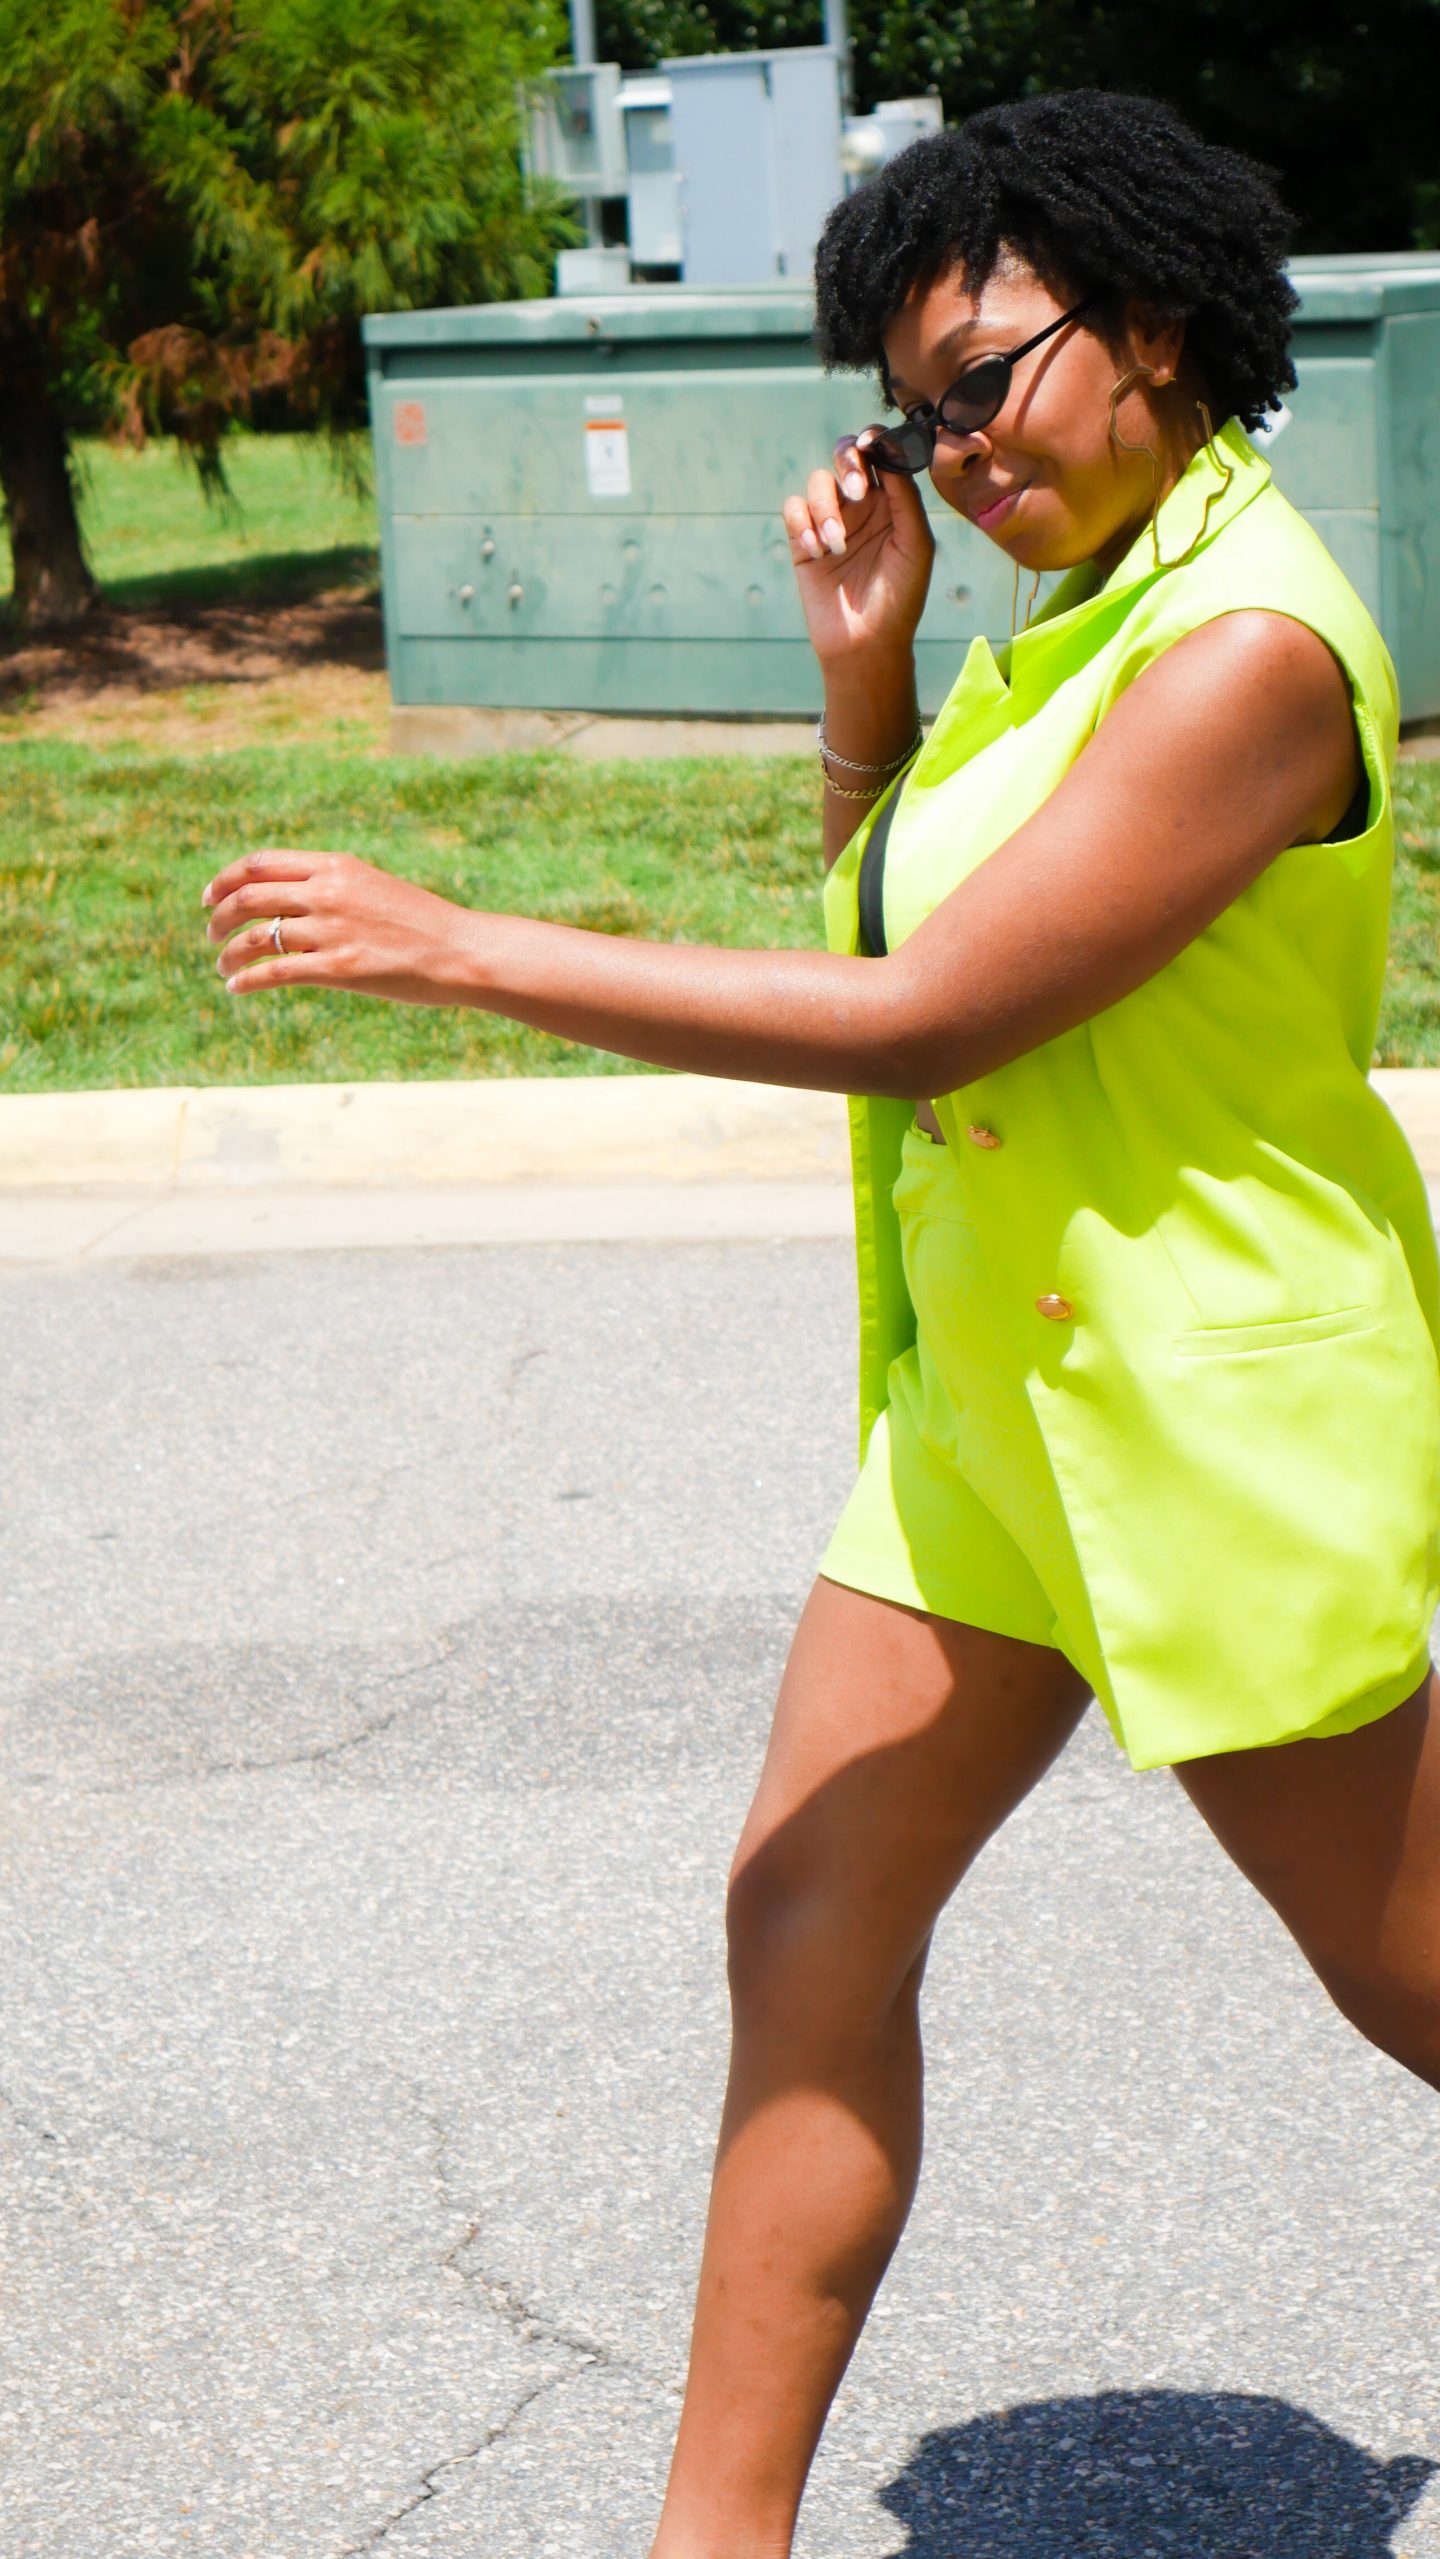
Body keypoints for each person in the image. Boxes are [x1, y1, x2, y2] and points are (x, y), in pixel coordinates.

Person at [200, 88, 1440, 2559]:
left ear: (1158, 324)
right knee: (804, 1913)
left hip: (1209, 1430)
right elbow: (902, 900)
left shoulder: (1251, 650)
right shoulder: (1066, 621)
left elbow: (934, 1017)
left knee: (1414, 1982)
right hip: (987, 1419)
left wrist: (463, 948)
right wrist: (863, 681)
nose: (951, 450)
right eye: (913, 412)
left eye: (985, 377)